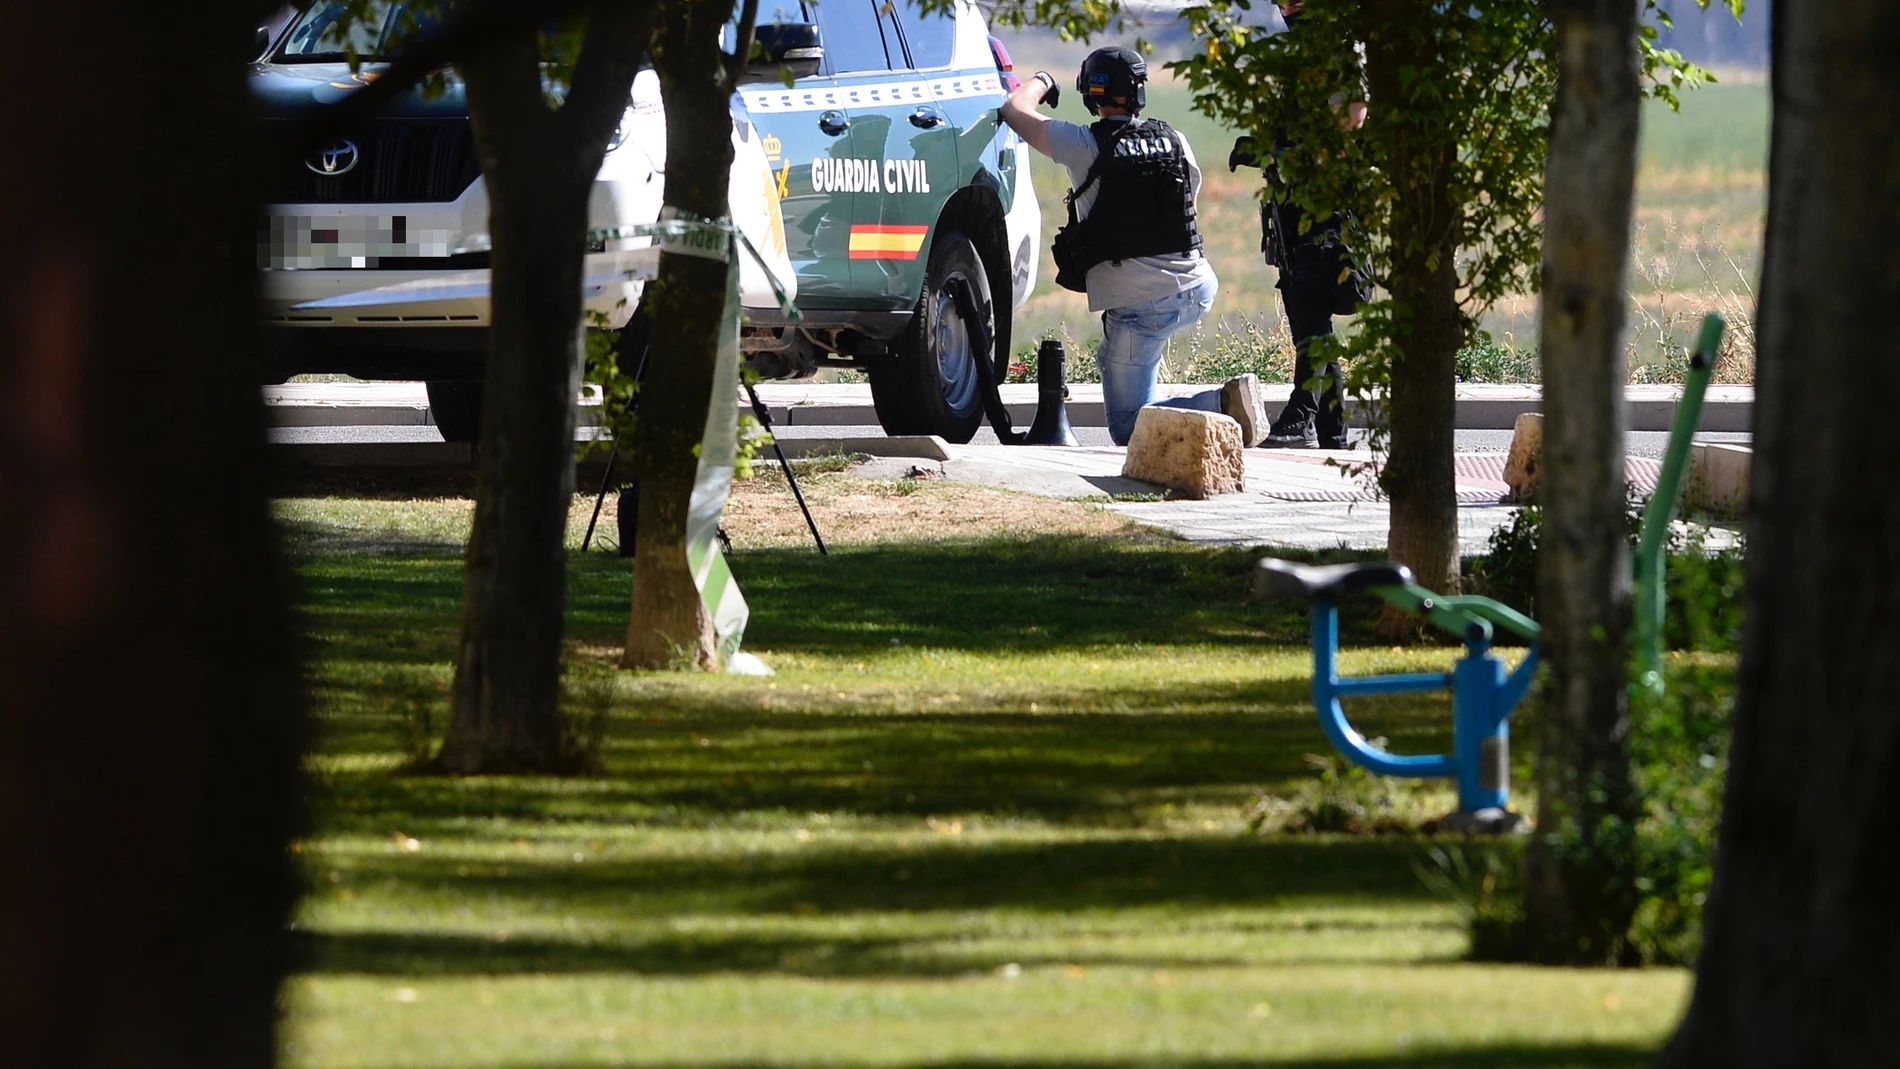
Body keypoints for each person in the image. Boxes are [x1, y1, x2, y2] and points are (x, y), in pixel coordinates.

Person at [999, 46, 1269, 447]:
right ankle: (1188, 408)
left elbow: (1014, 112)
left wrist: (1042, 80)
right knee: (1114, 360)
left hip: (1144, 306)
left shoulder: (1082, 143)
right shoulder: (1173, 138)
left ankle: (1223, 403)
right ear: (1139, 92)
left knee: (1128, 425)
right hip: (1196, 287)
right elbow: (1187, 208)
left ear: (1091, 94)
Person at [1240, 0, 1367, 450]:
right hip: (1295, 204)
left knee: (1309, 302)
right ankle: (1332, 429)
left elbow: (1352, 119)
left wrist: (1287, 158)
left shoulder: (1334, 48)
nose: (1284, 6)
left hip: (1325, 204)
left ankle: (1301, 414)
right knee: (1303, 302)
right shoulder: (1305, 50)